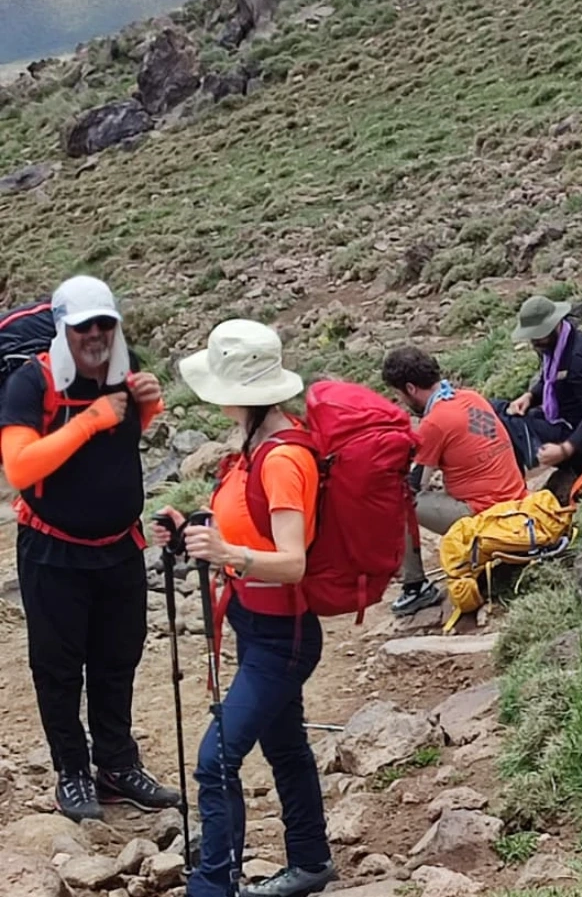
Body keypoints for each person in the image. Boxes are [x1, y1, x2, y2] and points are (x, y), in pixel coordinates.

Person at [152, 319, 334, 897]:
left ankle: (214, 885)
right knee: (284, 747)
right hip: (260, 627)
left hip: (283, 636)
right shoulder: (254, 447)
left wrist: (227, 552)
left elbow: (292, 561)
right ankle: (310, 862)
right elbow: (241, 528)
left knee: (215, 759)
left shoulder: (282, 460)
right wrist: (190, 533)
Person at [0, 275, 181, 823]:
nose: (96, 335)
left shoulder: (124, 372)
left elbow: (123, 443)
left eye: (105, 323)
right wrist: (90, 421)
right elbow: (20, 466)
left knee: (116, 659)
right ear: (63, 328)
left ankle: (117, 766)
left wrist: (145, 409)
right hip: (52, 550)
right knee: (57, 668)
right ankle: (71, 774)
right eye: (84, 326)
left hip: (119, 548)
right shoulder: (32, 383)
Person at [380, 346, 528, 615]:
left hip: (484, 511)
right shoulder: (471, 397)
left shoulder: (435, 421)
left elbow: (415, 485)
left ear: (411, 389)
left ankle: (415, 587)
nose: (402, 403)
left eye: (399, 396)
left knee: (398, 500)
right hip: (516, 500)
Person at [499, 295, 582, 499]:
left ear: (554, 325)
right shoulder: (555, 347)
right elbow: (548, 379)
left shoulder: (579, 358)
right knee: (499, 410)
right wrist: (530, 396)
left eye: (538, 336)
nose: (534, 342)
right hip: (562, 420)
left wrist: (566, 450)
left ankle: (511, 490)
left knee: (510, 426)